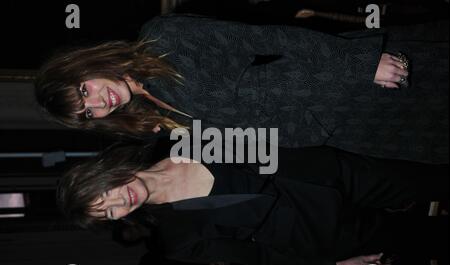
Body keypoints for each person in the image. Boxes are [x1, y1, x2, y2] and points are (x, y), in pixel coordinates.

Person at [35, 15, 448, 163]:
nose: (97, 103)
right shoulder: (156, 119)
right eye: (87, 113)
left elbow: (268, 38)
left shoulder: (162, 39)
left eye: (84, 90)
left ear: (86, 65)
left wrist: (357, 64)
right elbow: (251, 139)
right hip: (346, 130)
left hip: (347, 80)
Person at [56, 140, 448, 265]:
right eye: (108, 213)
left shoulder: (173, 136)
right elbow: (258, 256)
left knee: (432, 178)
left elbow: (265, 131)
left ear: (103, 172)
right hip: (324, 231)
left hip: (334, 174)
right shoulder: (176, 240)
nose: (119, 203)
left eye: (104, 194)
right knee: (432, 239)